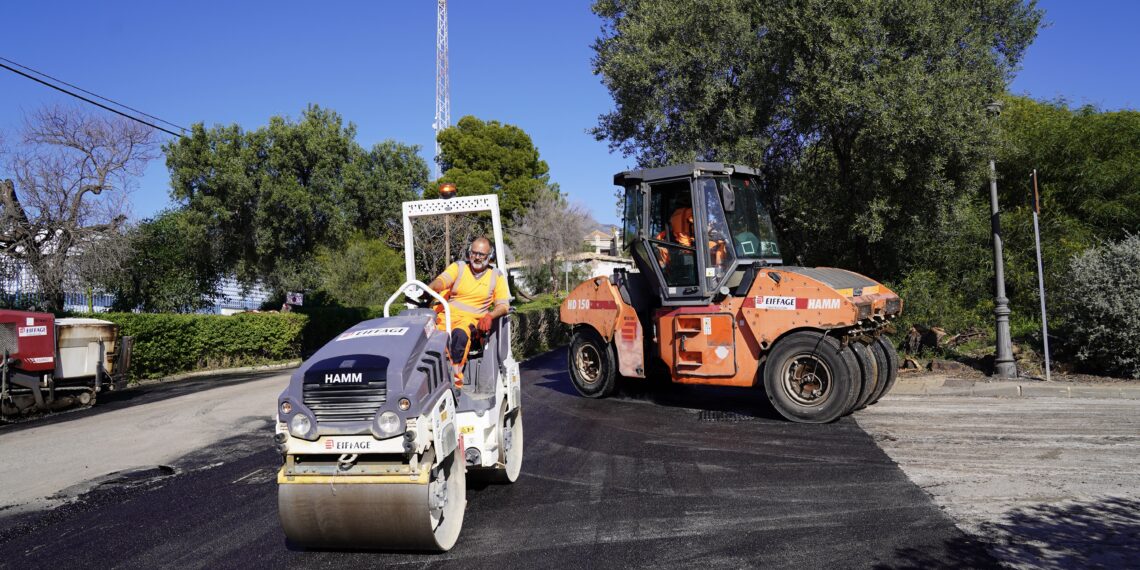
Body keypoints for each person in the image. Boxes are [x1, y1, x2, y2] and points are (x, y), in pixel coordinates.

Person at [428, 236, 509, 387]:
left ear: (489, 256)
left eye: (481, 254)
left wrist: (490, 315)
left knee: (459, 336)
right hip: (445, 317)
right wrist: (429, 289)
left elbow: (503, 305)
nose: (477, 257)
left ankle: (455, 381)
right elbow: (442, 280)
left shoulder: (496, 276)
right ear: (469, 253)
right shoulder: (458, 267)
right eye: (474, 253)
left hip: (469, 322)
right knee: (424, 336)